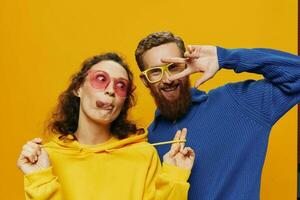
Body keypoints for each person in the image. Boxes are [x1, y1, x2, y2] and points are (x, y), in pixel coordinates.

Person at [135, 31, 300, 200]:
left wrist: (226, 57)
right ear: (145, 80)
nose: (168, 79)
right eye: (155, 71)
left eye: (173, 66)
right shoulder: (148, 142)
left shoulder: (239, 103)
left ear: (187, 65)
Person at [17, 53, 195, 200]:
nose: (111, 90)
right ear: (78, 88)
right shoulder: (45, 160)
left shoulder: (143, 155)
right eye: (101, 79)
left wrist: (174, 177)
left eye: (120, 86)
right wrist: (40, 180)